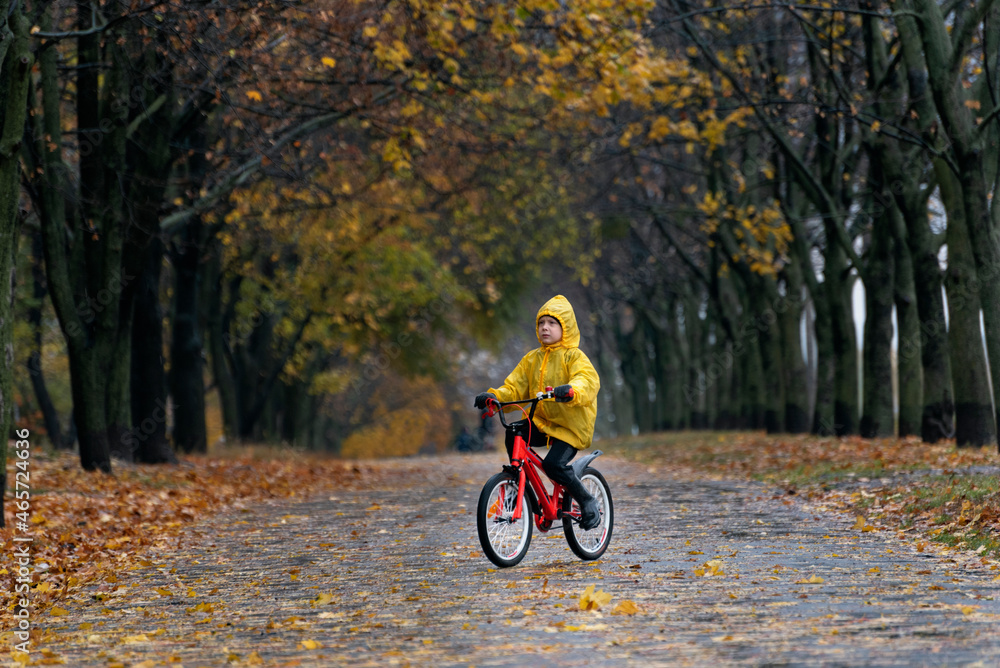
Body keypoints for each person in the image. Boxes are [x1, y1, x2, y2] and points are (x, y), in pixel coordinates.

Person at [474, 295, 602, 530]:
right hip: (542, 422)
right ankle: (516, 483)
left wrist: (572, 390)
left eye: (552, 323)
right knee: (514, 433)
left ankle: (587, 500)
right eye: (541, 323)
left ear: (566, 328)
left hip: (570, 427)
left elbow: (588, 381)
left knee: (554, 465)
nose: (545, 327)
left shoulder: (574, 357)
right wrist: (495, 397)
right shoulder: (532, 359)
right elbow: (513, 387)